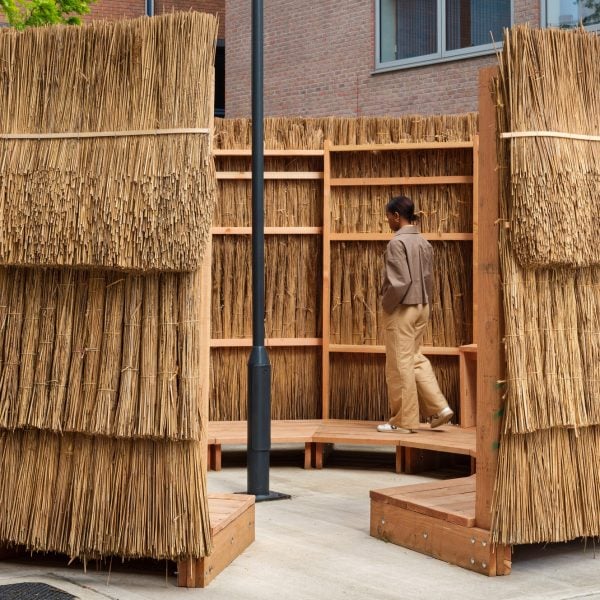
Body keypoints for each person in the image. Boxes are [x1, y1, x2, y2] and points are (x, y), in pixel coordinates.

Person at [377, 195, 454, 433]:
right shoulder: (423, 242)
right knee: (414, 358)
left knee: (399, 366)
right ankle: (440, 409)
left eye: (389, 217)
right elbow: (428, 279)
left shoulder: (396, 243)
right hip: (423, 307)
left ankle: (402, 422)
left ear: (397, 216)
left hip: (403, 309)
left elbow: (400, 282)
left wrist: (386, 305)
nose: (387, 221)